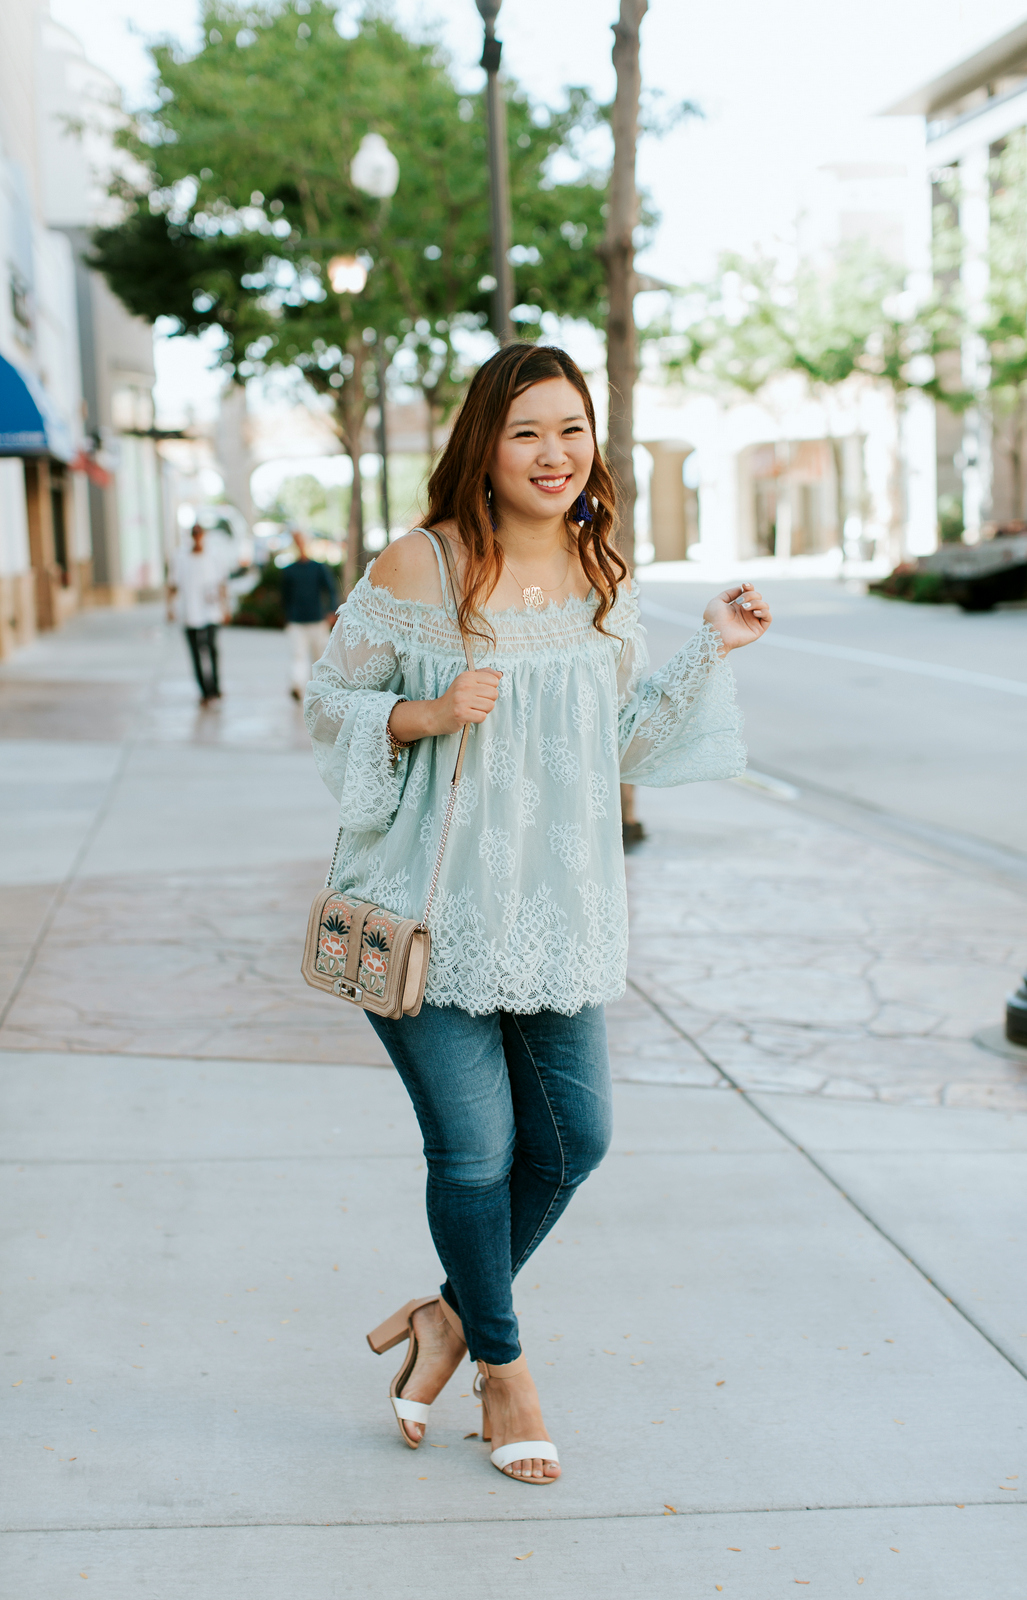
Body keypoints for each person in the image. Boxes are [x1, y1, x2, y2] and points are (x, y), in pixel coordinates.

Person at [304, 343, 771, 1486]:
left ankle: (446, 1316)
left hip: (555, 908)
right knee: (476, 1154)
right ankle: (501, 1369)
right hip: (426, 909)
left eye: (571, 429)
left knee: (575, 1143)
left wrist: (711, 648)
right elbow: (328, 702)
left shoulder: (596, 566)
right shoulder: (421, 563)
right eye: (525, 432)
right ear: (483, 443)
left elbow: (615, 740)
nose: (553, 454)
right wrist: (421, 711)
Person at [166, 523, 229, 706]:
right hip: (189, 612)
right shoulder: (180, 556)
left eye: (200, 533)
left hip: (211, 611)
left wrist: (225, 608)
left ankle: (215, 687)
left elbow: (222, 583)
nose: (197, 536)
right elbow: (172, 584)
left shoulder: (214, 555)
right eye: (194, 533)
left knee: (211, 649)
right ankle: (205, 691)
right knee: (195, 653)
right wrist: (169, 608)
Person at [280, 530, 339, 699]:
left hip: (317, 620)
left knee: (319, 657)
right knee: (298, 656)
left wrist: (331, 611)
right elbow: (285, 597)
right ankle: (298, 686)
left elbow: (330, 590)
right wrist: (287, 616)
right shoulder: (289, 571)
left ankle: (322, 690)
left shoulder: (318, 568)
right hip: (296, 621)